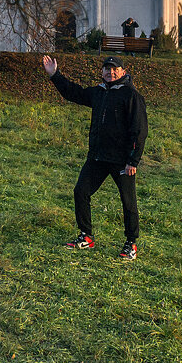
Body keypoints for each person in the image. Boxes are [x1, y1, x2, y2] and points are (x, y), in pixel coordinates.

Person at [41, 53, 147, 261]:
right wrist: (55, 75)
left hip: (121, 161)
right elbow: (74, 93)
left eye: (115, 69)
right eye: (107, 69)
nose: (111, 72)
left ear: (123, 72)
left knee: (128, 202)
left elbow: (139, 130)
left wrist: (133, 160)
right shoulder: (99, 92)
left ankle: (131, 243)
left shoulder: (131, 95)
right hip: (98, 157)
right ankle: (86, 236)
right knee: (81, 191)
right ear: (102, 72)